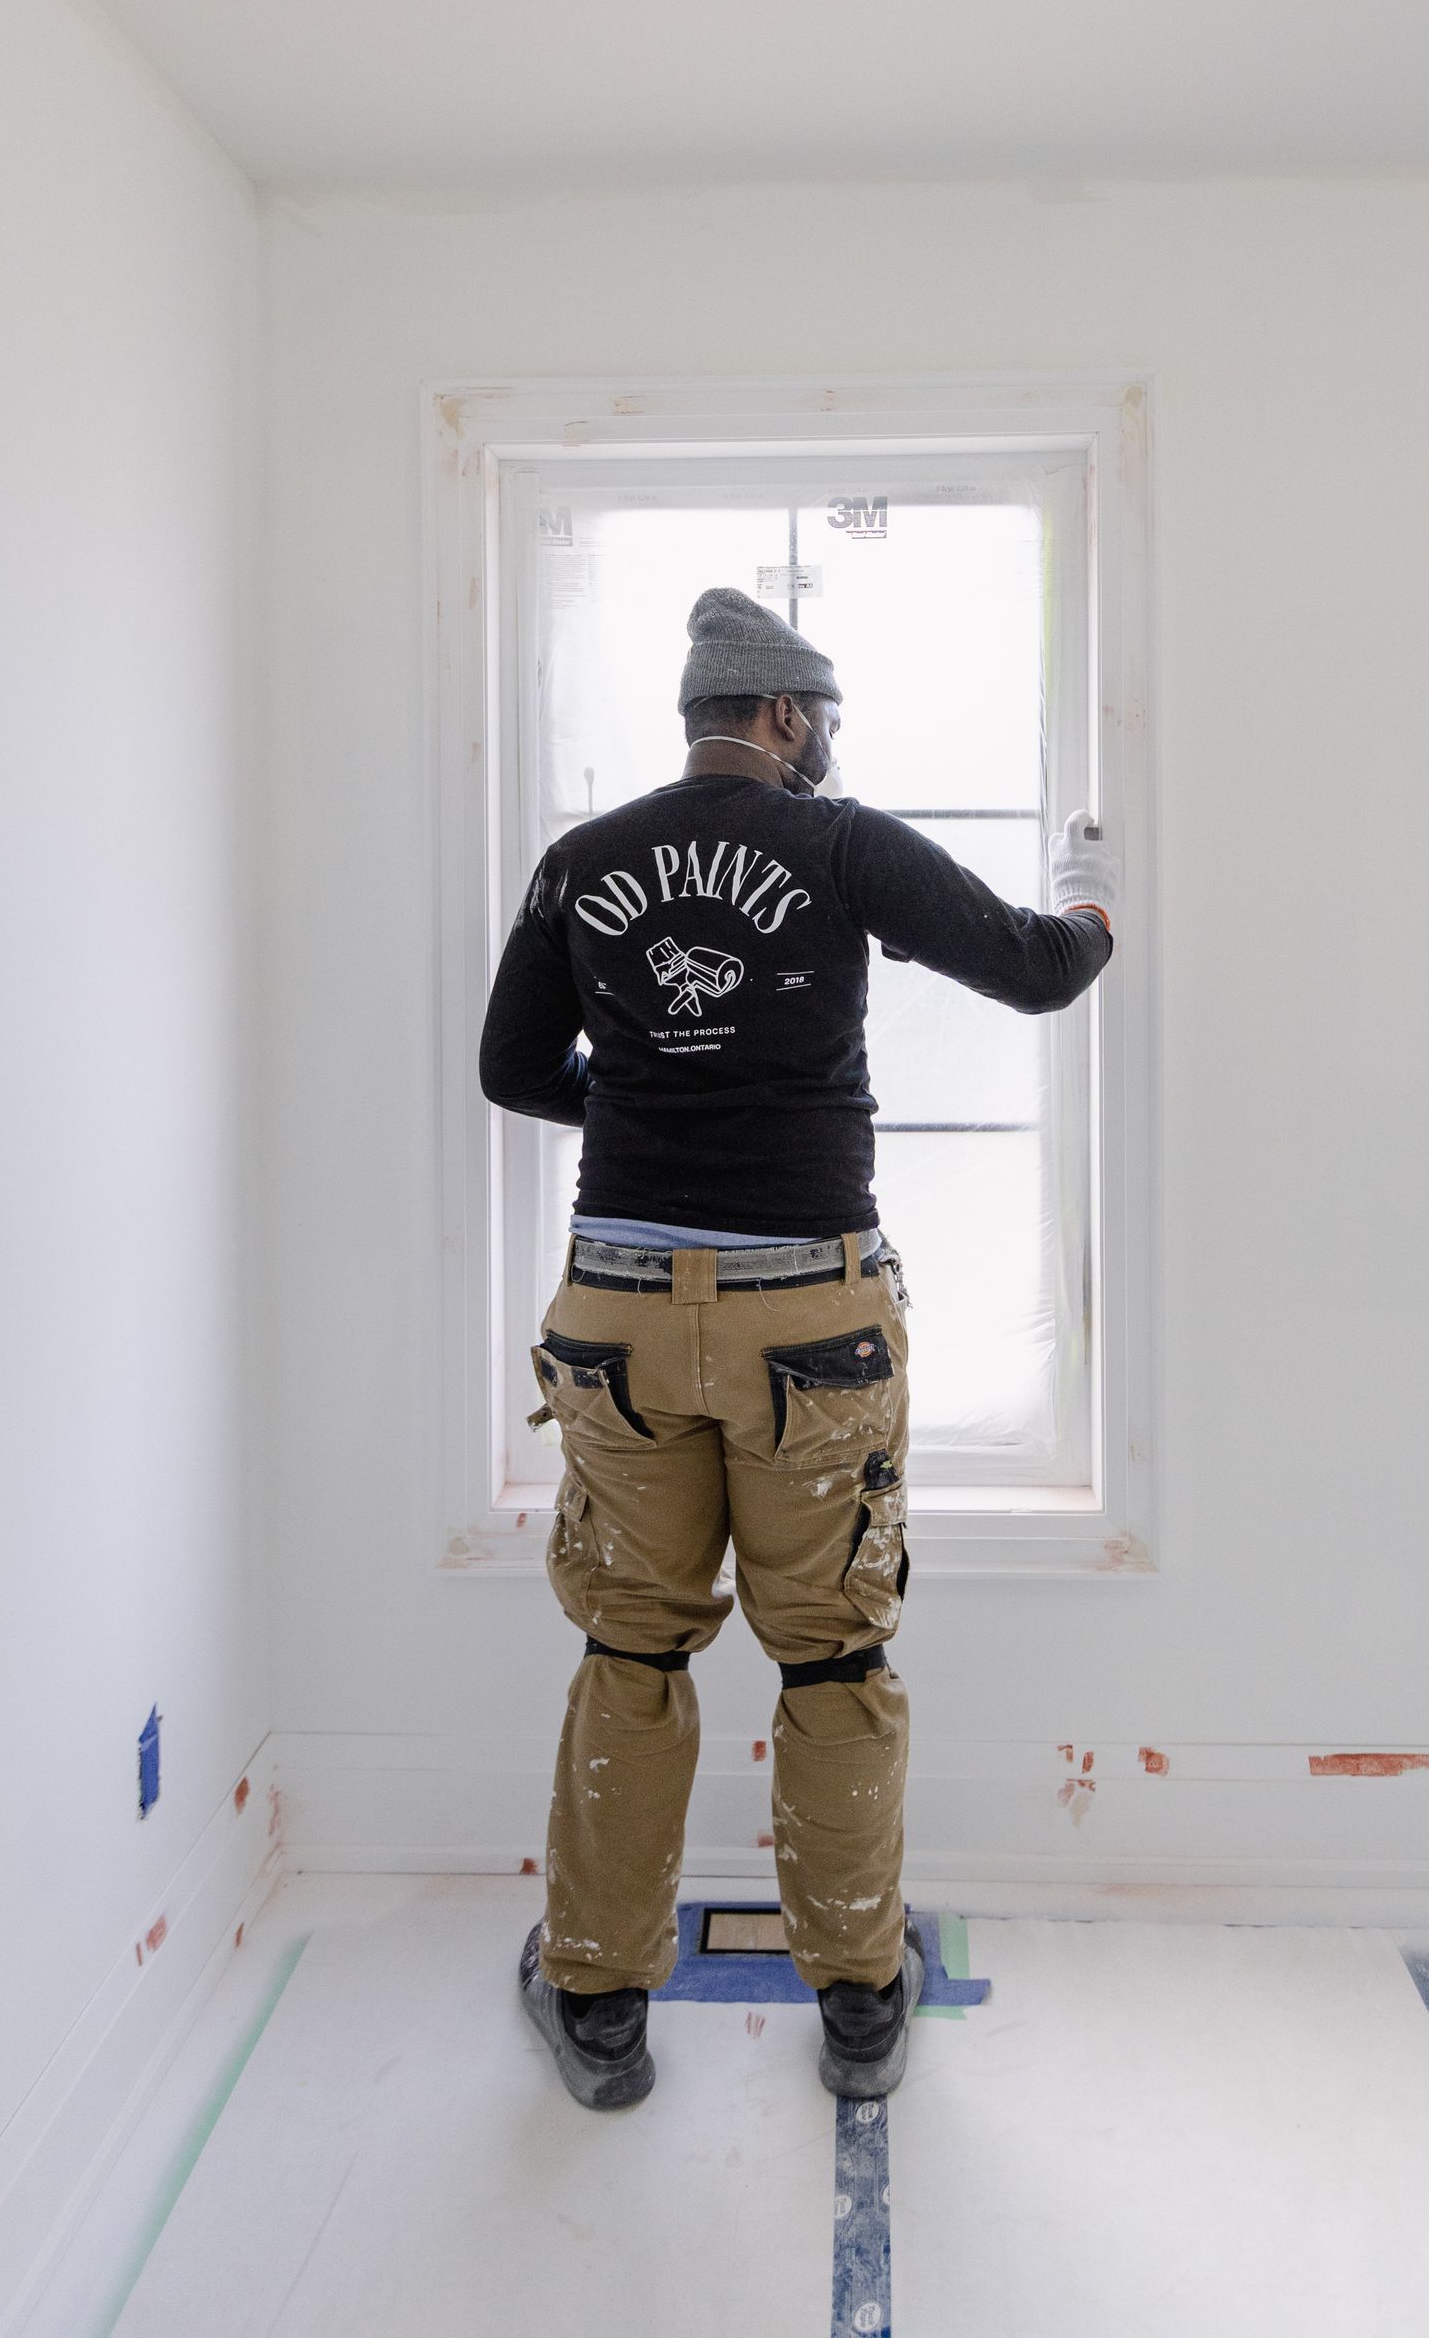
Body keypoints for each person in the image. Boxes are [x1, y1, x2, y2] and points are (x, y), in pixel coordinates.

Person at [480, 585, 1116, 2109]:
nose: (827, 741)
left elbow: (511, 1068)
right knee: (834, 1658)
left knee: (633, 1647)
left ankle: (598, 2003)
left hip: (621, 1318)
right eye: (821, 717)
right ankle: (858, 2002)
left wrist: (650, 1100)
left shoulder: (580, 862)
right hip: (808, 1326)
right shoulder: (837, 845)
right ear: (780, 713)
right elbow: (1040, 968)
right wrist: (1093, 895)